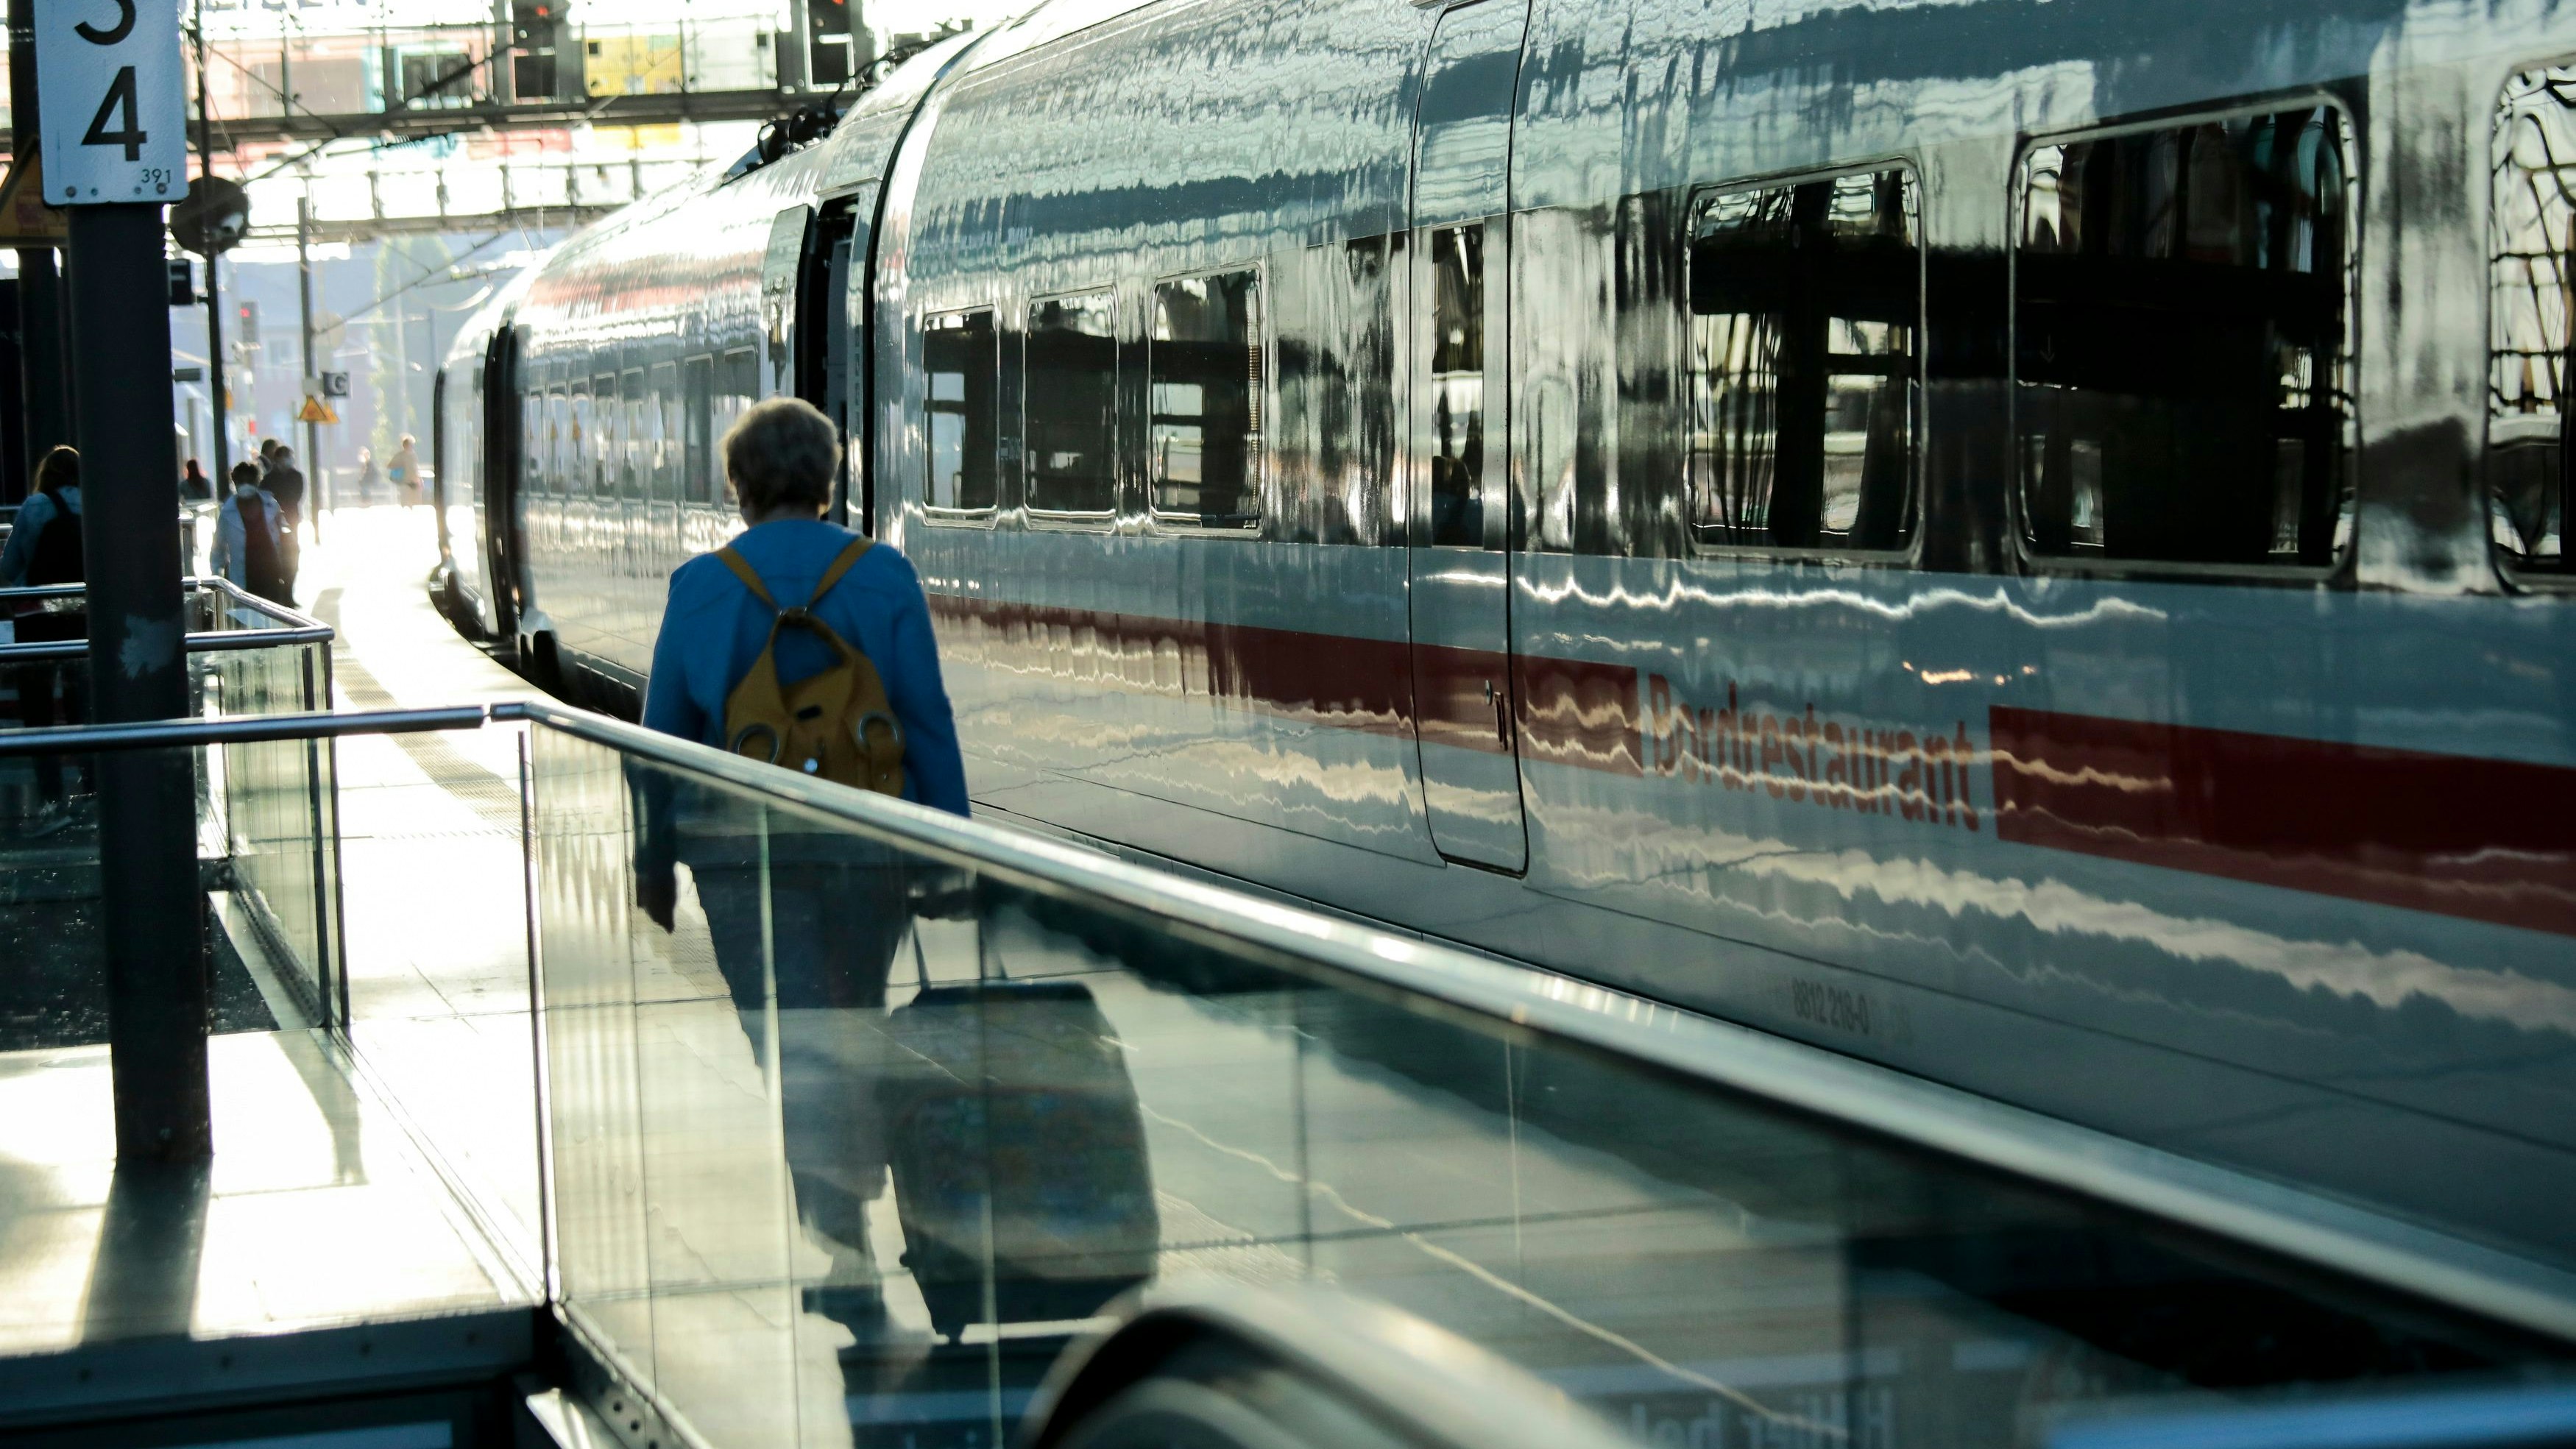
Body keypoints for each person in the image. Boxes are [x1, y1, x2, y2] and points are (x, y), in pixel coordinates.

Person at [637, 396, 966, 1359]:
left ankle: (841, 1240)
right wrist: (953, 851)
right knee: (853, 1022)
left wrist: (654, 861)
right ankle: (857, 1224)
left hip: (741, 860)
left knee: (791, 1041)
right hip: (866, 848)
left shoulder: (700, 587)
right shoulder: (884, 576)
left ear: (739, 486)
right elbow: (925, 720)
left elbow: (660, 745)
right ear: (829, 481)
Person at [1, 447, 88, 834]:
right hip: (82, 619)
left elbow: (9, 567)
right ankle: (93, 799)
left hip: (37, 621)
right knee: (83, 709)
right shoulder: (95, 503)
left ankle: (54, 804)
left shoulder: (35, 507)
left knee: (38, 714)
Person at [210, 461, 289, 604]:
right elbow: (218, 547)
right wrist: (216, 575)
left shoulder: (271, 506)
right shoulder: (228, 513)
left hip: (271, 575)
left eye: (249, 481)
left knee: (273, 615)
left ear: (257, 482)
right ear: (235, 482)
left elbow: (284, 538)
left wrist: (288, 571)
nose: (245, 485)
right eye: (241, 481)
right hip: (244, 577)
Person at [263, 443, 306, 600]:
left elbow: (297, 496)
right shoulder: (269, 478)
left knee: (293, 553)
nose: (290, 460)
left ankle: (289, 590)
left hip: (291, 521)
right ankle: (281, 588)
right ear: (278, 459)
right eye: (287, 457)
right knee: (277, 554)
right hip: (273, 522)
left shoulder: (296, 476)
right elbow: (267, 497)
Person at [387, 434, 422, 506]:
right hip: (405, 483)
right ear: (405, 445)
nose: (411, 446)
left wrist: (419, 480)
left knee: (415, 504)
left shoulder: (413, 455)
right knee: (406, 504)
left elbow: (416, 469)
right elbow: (389, 465)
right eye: (410, 445)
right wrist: (400, 465)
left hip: (414, 483)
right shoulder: (400, 455)